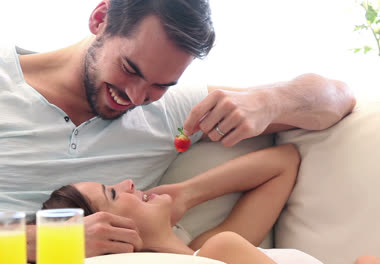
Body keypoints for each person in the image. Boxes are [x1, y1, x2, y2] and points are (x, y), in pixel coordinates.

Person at [0, 0, 356, 261]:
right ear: (99, 19)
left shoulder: (169, 111)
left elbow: (337, 98)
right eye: (130, 68)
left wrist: (268, 103)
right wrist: (47, 242)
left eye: (162, 83)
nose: (137, 97)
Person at [41, 144, 323, 264]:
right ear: (107, 236)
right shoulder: (221, 247)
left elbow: (284, 162)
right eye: (113, 194)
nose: (128, 182)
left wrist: (187, 193)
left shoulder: (211, 247)